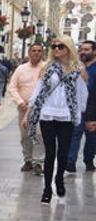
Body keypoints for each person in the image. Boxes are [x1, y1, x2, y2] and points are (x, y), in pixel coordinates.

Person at [24, 36, 89, 205]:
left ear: (68, 48)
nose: (56, 49)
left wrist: (79, 114)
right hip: (47, 114)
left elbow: (82, 94)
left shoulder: (78, 69)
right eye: (54, 46)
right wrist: (29, 113)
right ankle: (47, 189)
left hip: (66, 115)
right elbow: (38, 91)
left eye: (61, 46)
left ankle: (59, 179)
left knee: (63, 152)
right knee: (50, 152)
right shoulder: (47, 68)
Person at [8, 43, 46, 175]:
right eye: (33, 50)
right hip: (23, 108)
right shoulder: (21, 69)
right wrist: (19, 102)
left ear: (42, 53)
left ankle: (38, 162)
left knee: (39, 134)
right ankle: (28, 160)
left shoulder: (46, 68)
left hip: (41, 109)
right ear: (29, 53)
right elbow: (12, 86)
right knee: (25, 136)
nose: (36, 53)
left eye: (39, 51)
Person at [66, 40, 96, 172]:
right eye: (81, 49)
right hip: (77, 108)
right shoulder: (75, 67)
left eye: (87, 49)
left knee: (92, 137)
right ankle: (70, 161)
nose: (83, 52)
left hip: (93, 108)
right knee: (74, 134)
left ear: (94, 52)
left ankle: (89, 160)